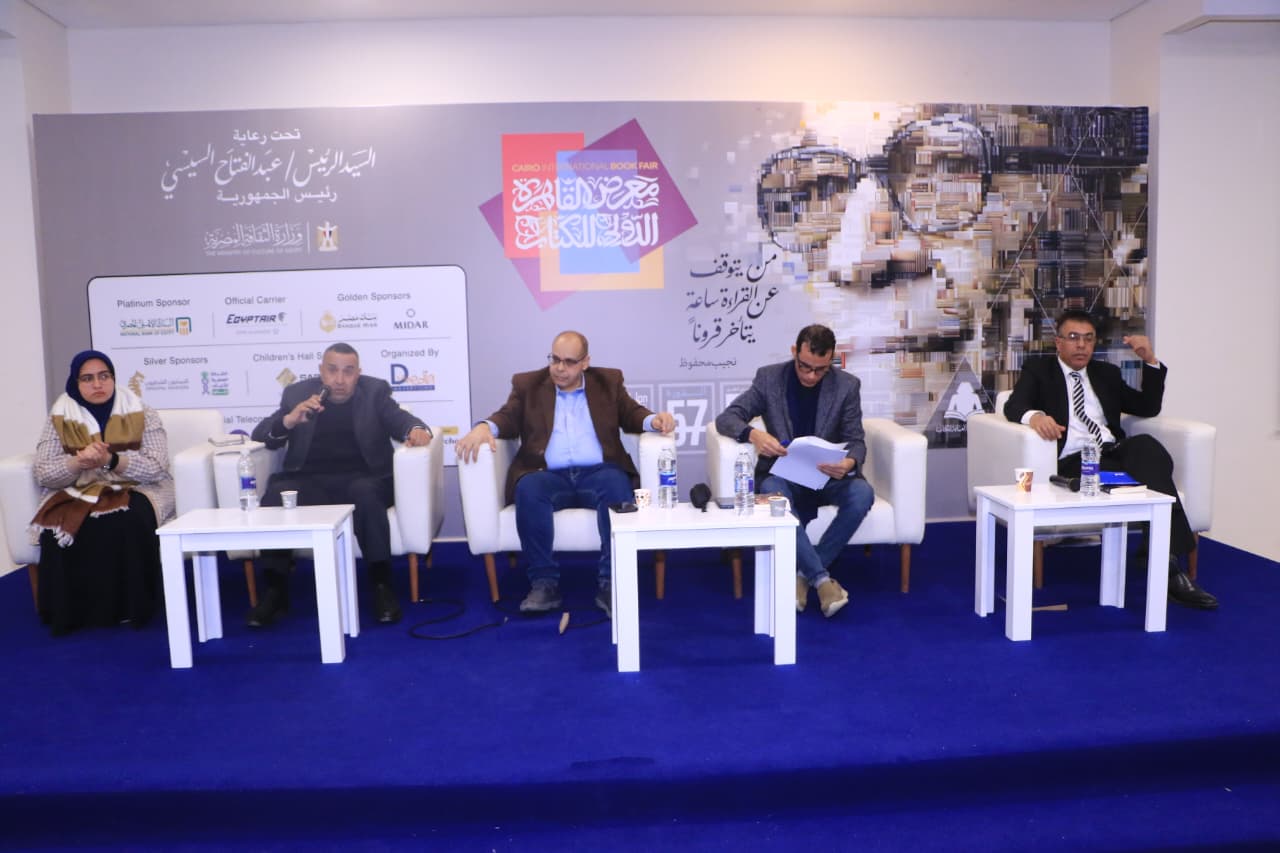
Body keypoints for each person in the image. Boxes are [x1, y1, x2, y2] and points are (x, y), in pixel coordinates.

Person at [1003, 309, 1217, 609]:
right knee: (1152, 475)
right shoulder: (1039, 370)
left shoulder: (1106, 374)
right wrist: (1035, 416)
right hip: (1076, 459)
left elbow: (1147, 407)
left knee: (1147, 448)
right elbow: (1014, 405)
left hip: (1112, 450)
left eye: (1088, 339)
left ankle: (1161, 557)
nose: (1081, 345)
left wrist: (1150, 361)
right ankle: (1168, 567)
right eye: (1073, 338)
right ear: (1058, 342)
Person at [455, 331, 675, 616]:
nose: (560, 368)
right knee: (528, 489)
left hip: (598, 472)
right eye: (555, 359)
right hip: (548, 474)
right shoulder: (528, 385)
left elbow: (631, 412)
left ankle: (611, 583)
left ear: (585, 362)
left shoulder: (608, 381)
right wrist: (484, 427)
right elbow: (508, 416)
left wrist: (653, 420)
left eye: (569, 362)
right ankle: (544, 584)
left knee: (617, 485)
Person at [246, 342, 432, 627]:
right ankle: (275, 591)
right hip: (310, 481)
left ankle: (382, 586)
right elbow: (261, 435)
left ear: (359, 374)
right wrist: (290, 420)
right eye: (332, 371)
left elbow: (401, 420)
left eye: (348, 372)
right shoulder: (297, 394)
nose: (340, 379)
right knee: (276, 496)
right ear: (321, 371)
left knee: (365, 493)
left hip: (365, 478)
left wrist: (417, 430)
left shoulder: (375, 392)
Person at [715, 324, 875, 618]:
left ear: (831, 360)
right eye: (805, 367)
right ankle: (822, 581)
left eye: (820, 370)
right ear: (794, 352)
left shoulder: (847, 386)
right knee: (771, 490)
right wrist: (754, 434)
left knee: (862, 493)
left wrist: (849, 463)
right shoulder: (769, 379)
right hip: (784, 475)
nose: (811, 376)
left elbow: (856, 440)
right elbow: (726, 418)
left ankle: (803, 576)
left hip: (827, 476)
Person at [30, 350, 174, 636]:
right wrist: (78, 462)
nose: (98, 384)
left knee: (129, 518)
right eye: (88, 378)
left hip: (138, 486)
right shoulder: (59, 417)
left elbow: (157, 467)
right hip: (78, 487)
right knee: (61, 524)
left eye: (104, 376)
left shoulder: (142, 412)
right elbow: (44, 472)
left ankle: (130, 607)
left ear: (113, 378)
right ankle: (74, 611)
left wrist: (112, 460)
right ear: (75, 382)